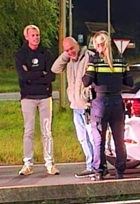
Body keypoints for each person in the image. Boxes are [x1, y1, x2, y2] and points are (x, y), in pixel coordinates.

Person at [82, 31, 132, 180]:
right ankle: (120, 171)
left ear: (99, 45)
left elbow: (86, 81)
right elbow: (129, 83)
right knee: (119, 139)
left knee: (99, 140)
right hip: (117, 102)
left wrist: (88, 71)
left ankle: (99, 170)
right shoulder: (121, 61)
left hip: (100, 103)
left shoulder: (95, 61)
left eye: (97, 45)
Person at [15, 24, 58, 176]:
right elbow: (23, 76)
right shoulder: (21, 55)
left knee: (46, 130)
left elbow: (51, 76)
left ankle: (50, 163)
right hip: (28, 97)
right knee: (29, 131)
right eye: (33, 35)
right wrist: (41, 73)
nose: (36, 38)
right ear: (26, 37)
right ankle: (28, 163)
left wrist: (33, 75)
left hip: (45, 96)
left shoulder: (46, 53)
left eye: (37, 35)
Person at [51, 36, 95, 178]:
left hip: (88, 106)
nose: (71, 52)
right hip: (75, 106)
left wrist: (88, 94)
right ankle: (91, 164)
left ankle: (95, 165)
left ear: (78, 45)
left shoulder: (89, 57)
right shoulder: (68, 61)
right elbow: (55, 68)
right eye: (67, 50)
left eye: (72, 48)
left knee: (92, 137)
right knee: (82, 138)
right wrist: (66, 54)